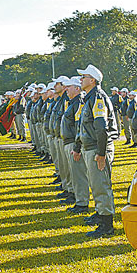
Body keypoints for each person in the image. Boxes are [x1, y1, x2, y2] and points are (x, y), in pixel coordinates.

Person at [74, 64, 118, 238]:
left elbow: (101, 128)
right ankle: (101, 215)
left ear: (92, 80)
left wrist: (101, 153)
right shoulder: (89, 97)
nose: (81, 79)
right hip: (90, 147)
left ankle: (107, 225)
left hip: (97, 148)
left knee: (101, 186)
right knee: (96, 184)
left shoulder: (97, 97)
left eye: (83, 76)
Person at [61, 76, 91, 214]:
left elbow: (79, 125)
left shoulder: (78, 102)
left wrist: (77, 146)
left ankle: (82, 203)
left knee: (79, 174)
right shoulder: (71, 102)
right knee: (74, 173)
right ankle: (78, 200)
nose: (66, 89)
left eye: (69, 87)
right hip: (70, 141)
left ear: (77, 88)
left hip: (74, 142)